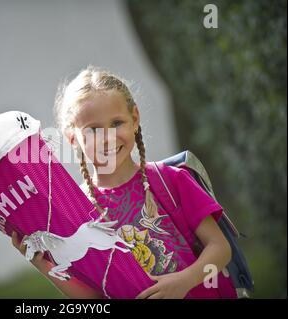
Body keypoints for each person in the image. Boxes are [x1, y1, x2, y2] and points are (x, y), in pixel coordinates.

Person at [12, 65, 236, 299]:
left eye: (116, 123)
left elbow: (220, 249)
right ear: (72, 138)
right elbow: (94, 297)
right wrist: (45, 267)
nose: (108, 137)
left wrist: (184, 281)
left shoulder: (171, 180)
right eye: (94, 130)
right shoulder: (78, 213)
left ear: (134, 118)